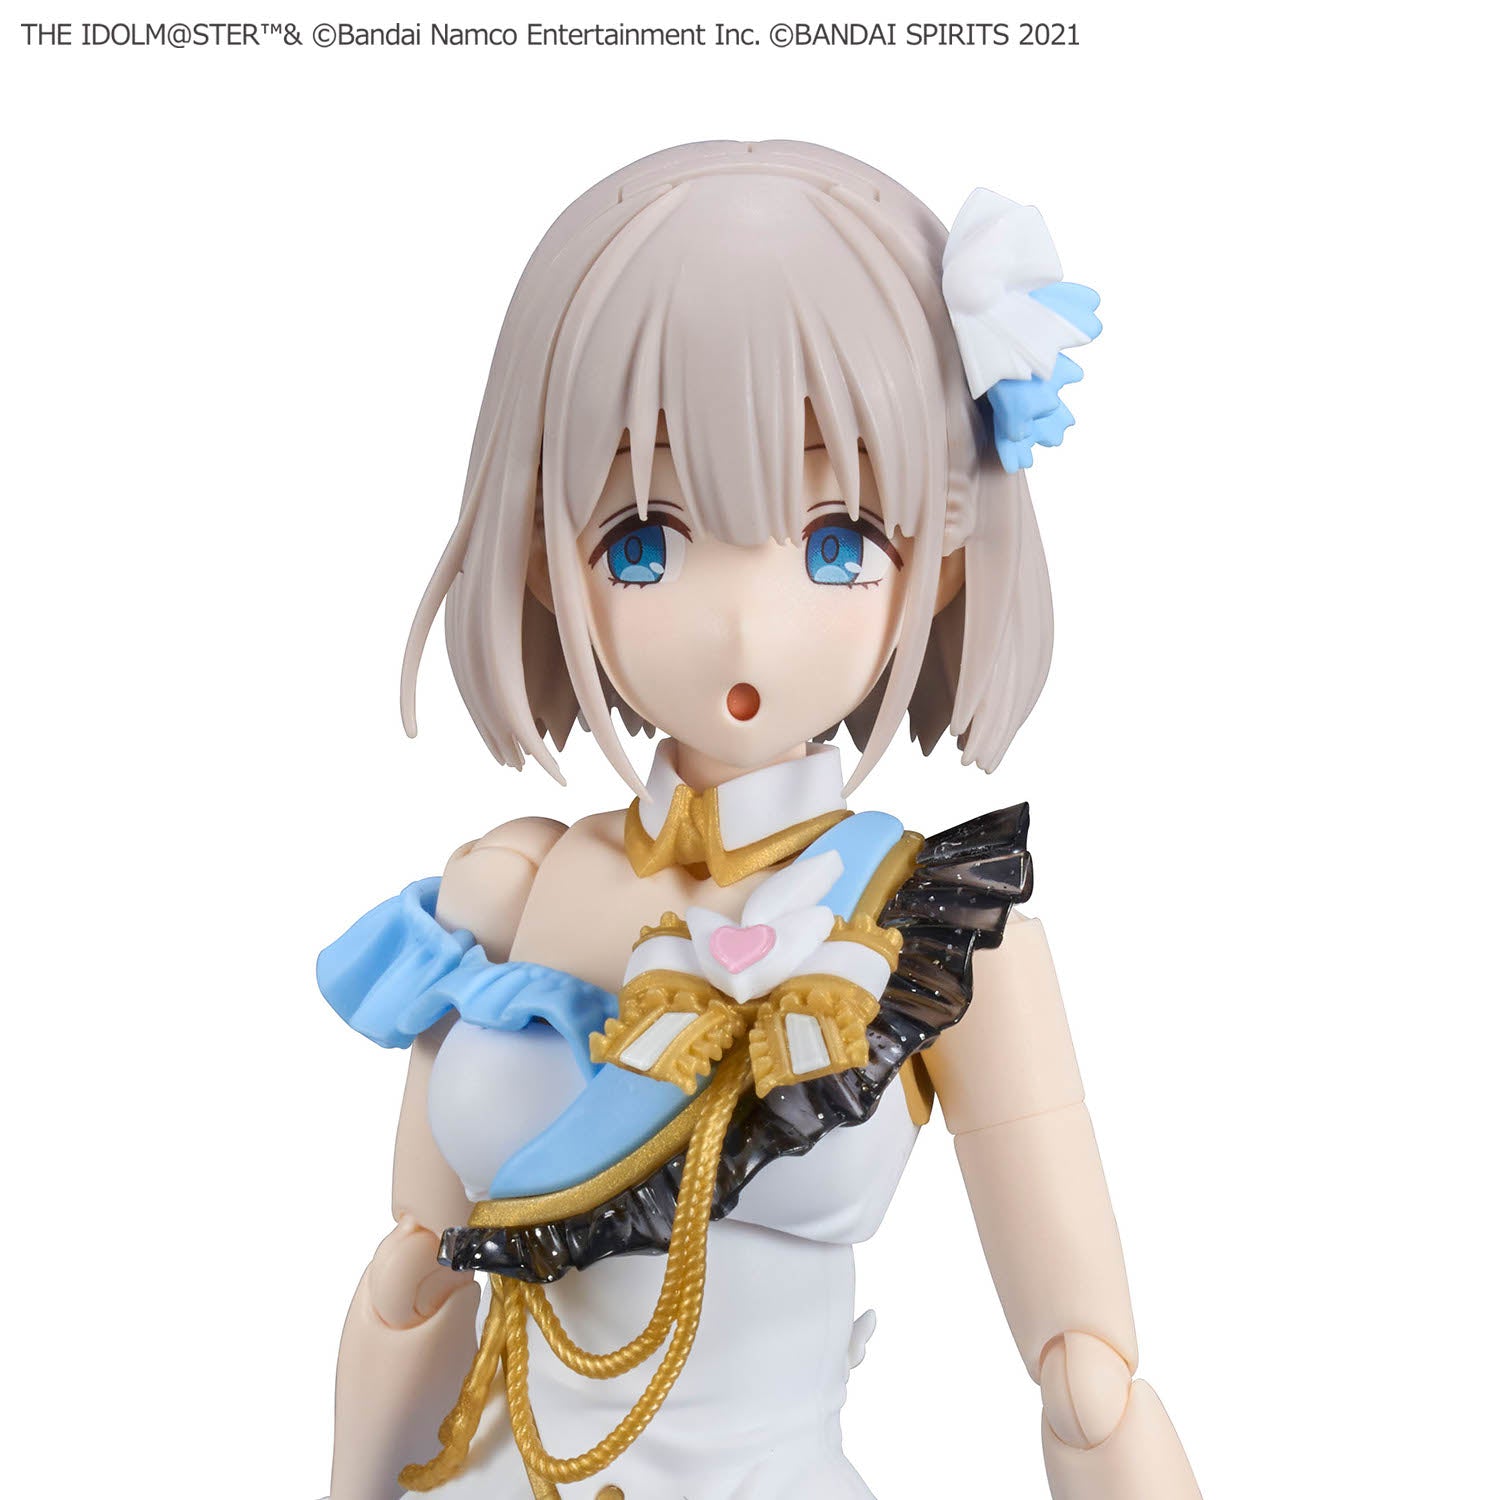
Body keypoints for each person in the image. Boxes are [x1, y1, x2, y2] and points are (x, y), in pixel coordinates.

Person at [316, 138, 1202, 1500]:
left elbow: (1087, 1372)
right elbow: (410, 1283)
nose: (741, 628)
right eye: (644, 542)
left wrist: (1106, 1430)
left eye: (838, 542)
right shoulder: (508, 891)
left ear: (939, 557)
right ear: (548, 559)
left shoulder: (934, 927)